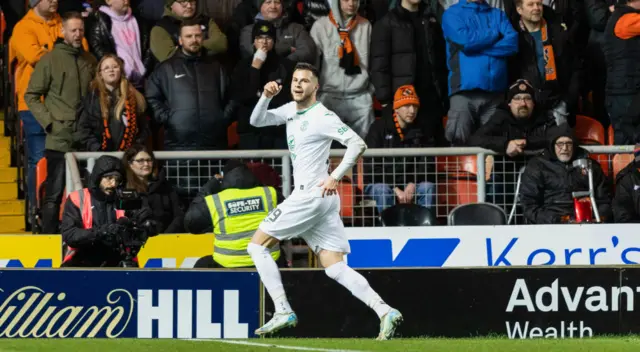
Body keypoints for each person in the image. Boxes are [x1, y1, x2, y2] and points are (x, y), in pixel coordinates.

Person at [247, 62, 402, 339]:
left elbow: (357, 143)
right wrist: (266, 96)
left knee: (256, 246)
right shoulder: (290, 110)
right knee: (335, 267)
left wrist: (336, 176)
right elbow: (256, 121)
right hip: (319, 199)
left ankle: (282, 309)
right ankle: (385, 311)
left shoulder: (322, 116)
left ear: (315, 87)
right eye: (295, 79)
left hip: (311, 195)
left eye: (304, 81)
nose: (297, 84)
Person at [24, 12, 97, 234]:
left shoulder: (90, 60)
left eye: (81, 30)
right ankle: (48, 238)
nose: (77, 34)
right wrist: (49, 124)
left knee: (87, 193)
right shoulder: (50, 60)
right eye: (73, 30)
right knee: (53, 195)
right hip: (59, 139)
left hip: (85, 138)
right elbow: (32, 95)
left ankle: (85, 237)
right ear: (62, 32)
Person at [185, 160, 284, 268]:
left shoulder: (216, 201)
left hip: (227, 266)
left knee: (202, 264)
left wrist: (211, 184)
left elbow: (190, 224)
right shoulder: (270, 194)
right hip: (269, 263)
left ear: (225, 178)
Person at [60, 155, 156, 267]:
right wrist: (101, 232)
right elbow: (69, 235)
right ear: (98, 177)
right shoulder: (77, 198)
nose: (113, 184)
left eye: (117, 180)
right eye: (109, 178)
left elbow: (144, 226)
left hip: (118, 258)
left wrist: (147, 224)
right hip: (81, 260)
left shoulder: (127, 199)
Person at [364, 85, 437, 214]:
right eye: (407, 106)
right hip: (381, 183)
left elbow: (427, 163)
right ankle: (388, 230)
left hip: (412, 183)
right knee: (383, 190)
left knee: (428, 187)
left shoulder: (423, 129)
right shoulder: (378, 128)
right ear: (396, 108)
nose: (412, 110)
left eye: (415, 106)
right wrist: (394, 188)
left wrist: (413, 183)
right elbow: (372, 166)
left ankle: (425, 230)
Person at [519, 125, 612, 224]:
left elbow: (605, 200)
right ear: (552, 145)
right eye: (560, 144)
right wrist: (559, 220)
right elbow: (529, 205)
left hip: (586, 221)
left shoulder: (589, 165)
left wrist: (597, 217)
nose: (565, 148)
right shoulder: (537, 166)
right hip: (550, 225)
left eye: (569, 143)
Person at [231, 20, 295, 149]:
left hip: (277, 131)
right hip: (250, 132)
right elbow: (243, 97)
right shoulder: (242, 66)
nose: (264, 42)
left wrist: (260, 96)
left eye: (268, 38)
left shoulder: (286, 66)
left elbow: (287, 100)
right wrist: (255, 69)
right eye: (259, 38)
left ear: (274, 41)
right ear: (253, 41)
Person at [75, 54, 149, 152]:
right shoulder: (91, 100)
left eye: (115, 67)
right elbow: (83, 131)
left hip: (128, 156)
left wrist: (134, 149)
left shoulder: (134, 98)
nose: (111, 70)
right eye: (106, 68)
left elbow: (144, 129)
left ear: (121, 71)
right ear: (100, 74)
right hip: (100, 156)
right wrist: (97, 150)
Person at [87, 0, 153, 89]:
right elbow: (98, 49)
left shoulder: (138, 20)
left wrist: (144, 69)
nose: (126, 0)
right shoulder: (100, 21)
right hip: (117, 81)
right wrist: (117, 70)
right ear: (109, 1)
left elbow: (147, 47)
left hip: (141, 79)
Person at [122, 144, 185, 234]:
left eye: (149, 160)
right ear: (130, 164)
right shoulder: (124, 188)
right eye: (140, 161)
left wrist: (166, 236)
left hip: (166, 239)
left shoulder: (165, 186)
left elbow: (179, 215)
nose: (146, 164)